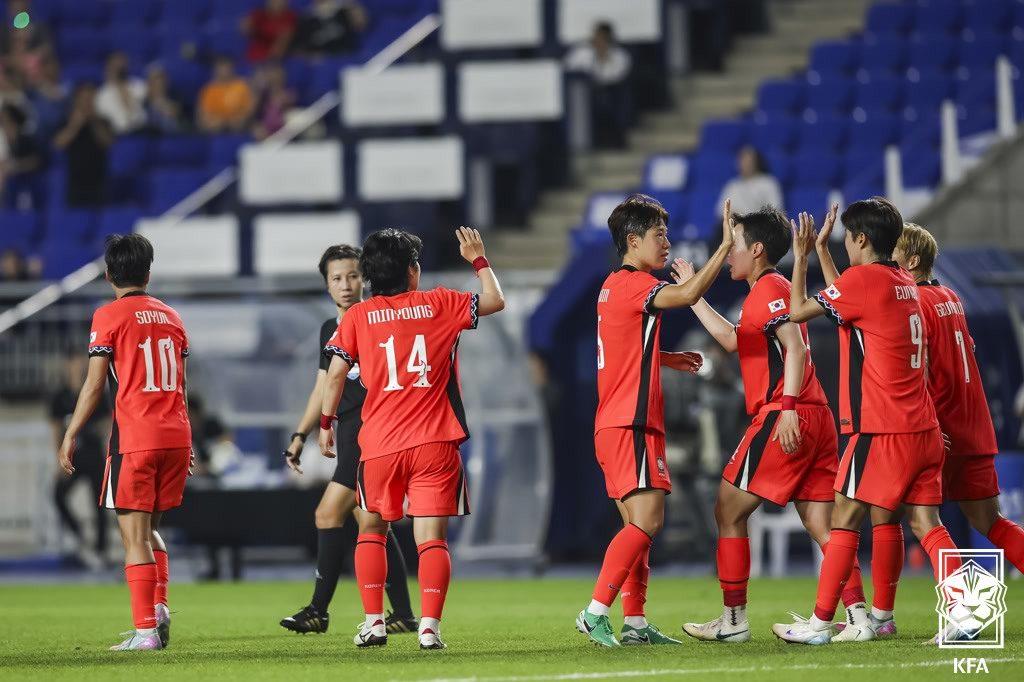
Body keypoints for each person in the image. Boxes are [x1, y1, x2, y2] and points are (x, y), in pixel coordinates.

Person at [676, 205, 867, 643]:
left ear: (757, 249)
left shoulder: (769, 288)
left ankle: (733, 620)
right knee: (822, 524)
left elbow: (795, 347)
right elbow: (732, 340)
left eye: (735, 245)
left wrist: (787, 407)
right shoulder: (766, 291)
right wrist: (693, 294)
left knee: (727, 509)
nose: (728, 254)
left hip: (787, 412)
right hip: (815, 415)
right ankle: (859, 616)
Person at [773, 199, 959, 645]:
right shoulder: (904, 282)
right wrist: (824, 253)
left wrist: (801, 256)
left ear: (860, 238)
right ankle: (957, 613)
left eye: (847, 238)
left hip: (882, 428)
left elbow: (797, 310)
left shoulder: (865, 281)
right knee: (925, 523)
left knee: (843, 516)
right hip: (923, 427)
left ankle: (819, 624)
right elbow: (850, 298)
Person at [318, 227, 505, 650]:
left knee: (372, 530)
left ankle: (374, 623)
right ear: (412, 271)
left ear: (368, 275)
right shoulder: (440, 302)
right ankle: (429, 628)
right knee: (431, 539)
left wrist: (326, 424)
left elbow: (335, 374)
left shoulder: (357, 316)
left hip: (379, 444)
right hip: (435, 442)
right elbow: (495, 300)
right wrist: (478, 259)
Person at [576, 194, 733, 648]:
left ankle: (635, 623)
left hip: (615, 422)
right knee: (647, 522)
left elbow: (621, 349)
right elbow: (687, 294)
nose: (666, 242)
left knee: (638, 529)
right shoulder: (634, 284)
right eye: (658, 235)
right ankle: (595, 612)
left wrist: (663, 357)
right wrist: (723, 247)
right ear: (632, 240)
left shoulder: (611, 286)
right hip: (632, 423)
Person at [57, 233, 193, 651]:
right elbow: (181, 385)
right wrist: (189, 443)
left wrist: (71, 433)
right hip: (176, 435)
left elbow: (94, 385)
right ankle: (159, 608)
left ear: (108, 275)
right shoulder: (172, 316)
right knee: (149, 530)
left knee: (133, 538)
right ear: (148, 273)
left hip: (137, 437)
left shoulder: (108, 316)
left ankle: (146, 631)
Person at [279, 244, 418, 636]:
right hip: (349, 433)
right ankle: (404, 614)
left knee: (329, 514)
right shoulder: (331, 328)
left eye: (353, 275)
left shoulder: (377, 319)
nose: (346, 285)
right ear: (326, 285)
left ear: (366, 278)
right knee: (371, 524)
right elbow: (323, 386)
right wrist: (300, 434)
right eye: (336, 278)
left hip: (371, 435)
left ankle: (318, 611)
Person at [892, 225, 1024, 572]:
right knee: (991, 522)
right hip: (975, 428)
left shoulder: (914, 303)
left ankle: (955, 598)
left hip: (942, 428)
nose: (888, 260)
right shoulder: (951, 297)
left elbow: (919, 368)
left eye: (894, 253)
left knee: (913, 519)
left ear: (912, 261)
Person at [50, 354, 111, 568]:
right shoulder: (60, 397)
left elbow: (107, 423)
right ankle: (79, 532)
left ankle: (101, 551)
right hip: (73, 456)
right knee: (58, 494)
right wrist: (59, 458)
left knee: (99, 504)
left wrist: (92, 431)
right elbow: (56, 430)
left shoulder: (96, 390)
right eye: (74, 362)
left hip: (93, 455)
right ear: (67, 365)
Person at [564, 22, 632, 149]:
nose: (598, 41)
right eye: (597, 36)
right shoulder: (581, 51)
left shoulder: (620, 55)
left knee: (609, 100)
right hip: (585, 92)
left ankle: (615, 139)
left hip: (611, 91)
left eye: (602, 38)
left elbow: (616, 75)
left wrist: (603, 58)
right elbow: (568, 67)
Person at [53, 83, 114, 207]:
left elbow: (108, 143)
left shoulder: (103, 121)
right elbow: (58, 144)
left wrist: (94, 122)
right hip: (76, 181)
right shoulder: (66, 121)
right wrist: (75, 125)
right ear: (76, 101)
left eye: (90, 99)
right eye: (84, 99)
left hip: (99, 180)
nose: (87, 103)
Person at [717, 146, 784, 217]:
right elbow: (721, 212)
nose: (744, 164)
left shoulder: (769, 183)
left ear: (756, 162)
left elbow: (776, 212)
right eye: (742, 160)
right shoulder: (732, 185)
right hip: (735, 222)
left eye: (748, 160)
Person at [197, 57, 255, 133]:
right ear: (216, 69)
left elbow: (249, 109)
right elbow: (203, 114)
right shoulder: (209, 89)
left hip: (239, 127)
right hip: (215, 128)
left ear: (232, 68)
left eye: (226, 67)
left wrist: (241, 118)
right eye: (221, 67)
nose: (224, 70)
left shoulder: (242, 86)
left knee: (238, 123)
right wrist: (216, 122)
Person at [292, 0, 368, 57]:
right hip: (326, 61)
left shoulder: (344, 8)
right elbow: (302, 50)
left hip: (349, 53)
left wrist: (353, 9)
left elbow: (361, 26)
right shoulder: (306, 19)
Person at [95, 52, 147, 134]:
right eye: (115, 66)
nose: (119, 69)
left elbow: (148, 108)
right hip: (117, 135)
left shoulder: (139, 85)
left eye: (122, 66)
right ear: (108, 67)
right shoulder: (102, 94)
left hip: (143, 131)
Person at [0, 103, 41, 205]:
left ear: (14, 121)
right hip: (11, 178)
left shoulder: (26, 139)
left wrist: (14, 166)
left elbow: (35, 161)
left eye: (6, 120)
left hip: (27, 178)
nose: (4, 124)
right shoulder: (3, 139)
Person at [251, 62, 295, 140]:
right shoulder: (263, 95)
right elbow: (256, 116)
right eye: (271, 73)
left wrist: (282, 102)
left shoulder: (289, 93)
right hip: (266, 132)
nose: (274, 77)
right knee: (257, 131)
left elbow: (290, 113)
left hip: (284, 131)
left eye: (277, 74)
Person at [142, 64, 183, 134]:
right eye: (155, 81)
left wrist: (163, 105)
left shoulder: (175, 99)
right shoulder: (143, 103)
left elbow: (175, 113)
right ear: (149, 83)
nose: (159, 84)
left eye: (161, 80)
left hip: (172, 136)